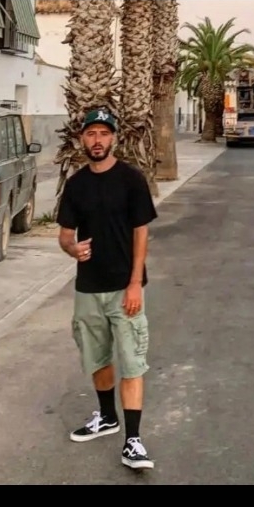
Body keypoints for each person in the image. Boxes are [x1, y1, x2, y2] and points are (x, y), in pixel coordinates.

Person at [57, 108, 158, 470]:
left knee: (131, 363)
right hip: (88, 288)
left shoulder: (131, 179)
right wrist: (72, 249)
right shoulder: (76, 185)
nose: (97, 140)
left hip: (123, 287)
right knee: (97, 358)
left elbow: (141, 232)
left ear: (113, 137)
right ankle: (107, 417)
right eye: (91, 133)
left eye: (103, 133)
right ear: (82, 139)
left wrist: (135, 283)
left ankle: (133, 441)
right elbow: (65, 235)